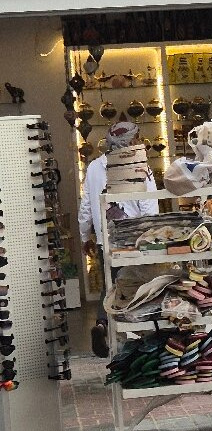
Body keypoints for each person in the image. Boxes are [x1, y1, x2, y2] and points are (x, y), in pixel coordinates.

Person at [78, 121, 159, 357]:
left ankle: (102, 324)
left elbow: (85, 208)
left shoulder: (93, 168)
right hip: (135, 240)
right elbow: (149, 208)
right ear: (133, 142)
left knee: (110, 285)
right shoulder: (139, 167)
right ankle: (137, 341)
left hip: (107, 240)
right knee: (136, 288)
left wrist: (85, 236)